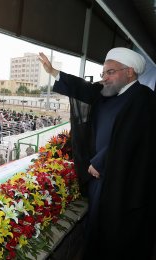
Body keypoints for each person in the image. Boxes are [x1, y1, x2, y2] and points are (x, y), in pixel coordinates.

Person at [39, 48, 156, 260]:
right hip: (99, 179)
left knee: (119, 237)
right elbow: (84, 89)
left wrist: (101, 160)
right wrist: (55, 73)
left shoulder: (144, 98)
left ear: (129, 72)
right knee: (97, 231)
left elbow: (132, 137)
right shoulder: (107, 94)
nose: (105, 78)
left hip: (124, 183)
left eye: (110, 72)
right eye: (103, 73)